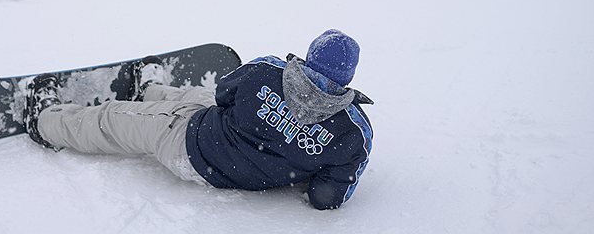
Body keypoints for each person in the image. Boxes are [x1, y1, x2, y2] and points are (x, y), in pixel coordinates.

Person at [23, 29, 374, 210]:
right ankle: (150, 90)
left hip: (191, 145)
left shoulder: (266, 71)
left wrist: (267, 117)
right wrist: (292, 152)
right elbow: (326, 197)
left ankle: (46, 121)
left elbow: (224, 92)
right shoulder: (353, 135)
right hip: (229, 152)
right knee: (195, 98)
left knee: (113, 119)